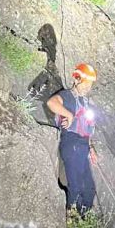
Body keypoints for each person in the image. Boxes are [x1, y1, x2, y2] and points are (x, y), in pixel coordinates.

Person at [46, 63, 98, 218]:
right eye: (85, 83)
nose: (88, 87)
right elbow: (51, 103)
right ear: (76, 79)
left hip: (82, 146)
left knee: (89, 189)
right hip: (71, 143)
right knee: (76, 186)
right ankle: (72, 222)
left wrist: (91, 148)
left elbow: (86, 128)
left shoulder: (86, 103)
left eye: (90, 84)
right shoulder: (67, 95)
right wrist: (69, 115)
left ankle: (82, 222)